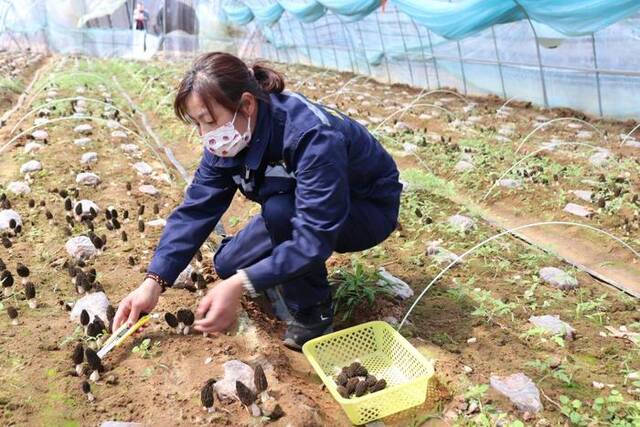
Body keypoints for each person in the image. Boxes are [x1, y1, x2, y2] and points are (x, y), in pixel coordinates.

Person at [112, 52, 402, 350]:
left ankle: (313, 312)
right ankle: (276, 265)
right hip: (297, 205)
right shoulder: (229, 137)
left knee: (279, 213)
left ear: (247, 104)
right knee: (228, 265)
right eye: (197, 124)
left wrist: (243, 284)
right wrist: (153, 282)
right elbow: (195, 211)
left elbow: (315, 236)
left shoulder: (312, 137)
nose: (205, 136)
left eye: (209, 121)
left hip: (364, 208)